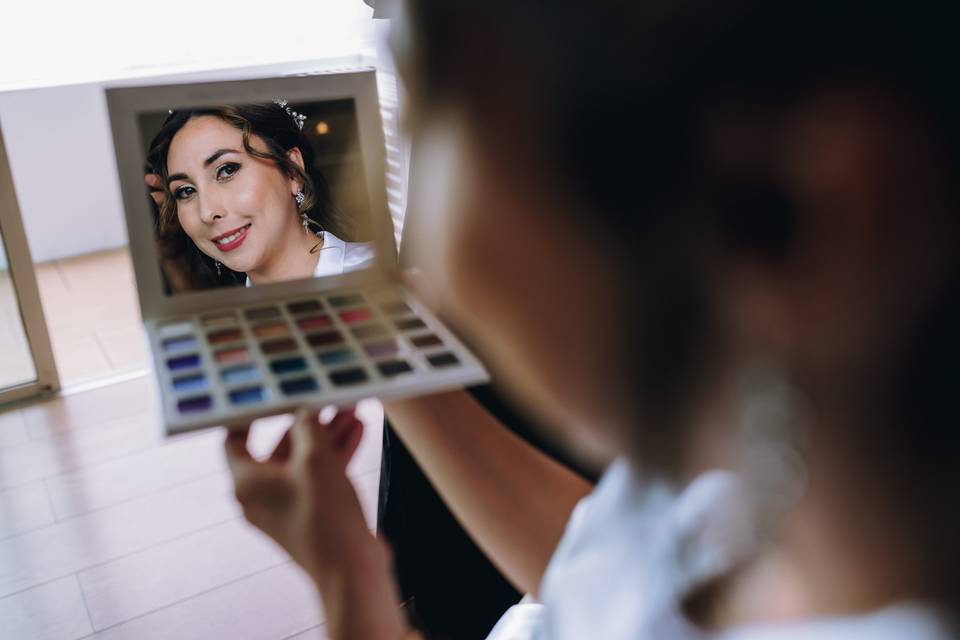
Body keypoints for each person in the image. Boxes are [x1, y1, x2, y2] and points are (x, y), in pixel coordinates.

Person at [224, 2, 960, 639]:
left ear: (799, 204)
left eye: (427, 113)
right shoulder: (773, 485)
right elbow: (618, 570)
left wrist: (351, 593)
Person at [144, 103, 374, 292]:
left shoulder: (384, 273)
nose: (207, 212)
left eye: (227, 170)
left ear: (292, 171)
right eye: (186, 191)